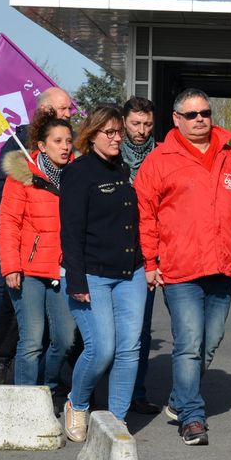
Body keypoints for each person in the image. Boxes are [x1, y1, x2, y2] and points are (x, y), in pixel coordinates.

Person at [135, 88, 231, 446]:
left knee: (210, 342)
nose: (200, 120)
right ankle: (192, 417)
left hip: (222, 266)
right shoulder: (159, 161)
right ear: (176, 119)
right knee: (190, 343)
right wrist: (149, 261)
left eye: (205, 113)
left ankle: (179, 400)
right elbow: (144, 216)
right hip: (180, 270)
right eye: (191, 115)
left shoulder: (230, 159)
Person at [60, 104, 147, 442]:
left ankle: (116, 421)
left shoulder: (124, 169)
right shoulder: (78, 172)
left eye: (119, 132)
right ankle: (77, 403)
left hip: (131, 272)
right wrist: (77, 279)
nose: (116, 138)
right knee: (101, 349)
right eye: (108, 132)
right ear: (92, 134)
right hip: (92, 274)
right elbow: (70, 231)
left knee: (129, 349)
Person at [0, 87, 73, 384]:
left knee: (64, 339)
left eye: (68, 141)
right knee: (32, 340)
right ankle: (25, 402)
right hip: (30, 267)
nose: (65, 146)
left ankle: (46, 388)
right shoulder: (23, 169)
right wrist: (10, 266)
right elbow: (8, 220)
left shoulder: (76, 174)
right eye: (57, 141)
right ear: (43, 144)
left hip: (63, 268)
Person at [120, 95, 161, 415]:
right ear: (123, 122)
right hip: (108, 248)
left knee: (140, 327)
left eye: (147, 124)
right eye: (136, 123)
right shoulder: (110, 153)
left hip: (145, 250)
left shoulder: (162, 156)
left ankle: (136, 392)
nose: (142, 130)